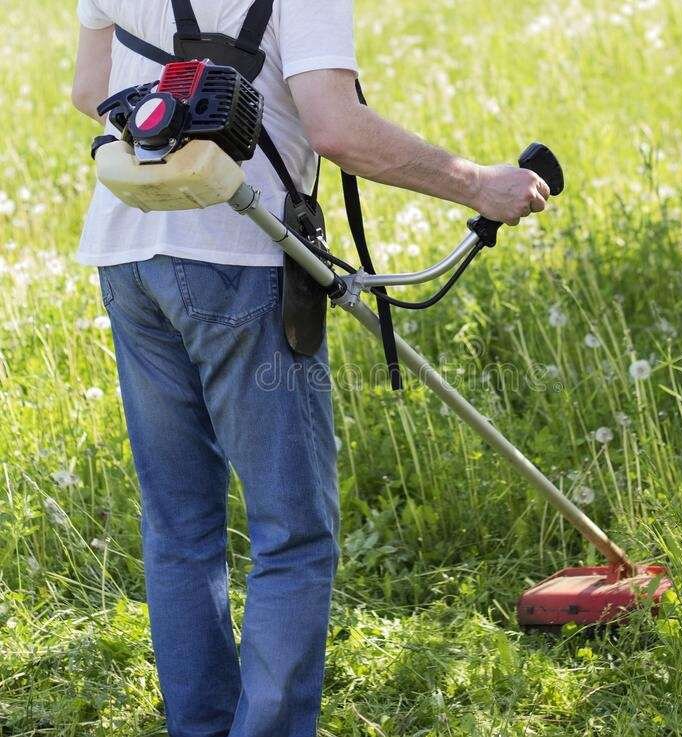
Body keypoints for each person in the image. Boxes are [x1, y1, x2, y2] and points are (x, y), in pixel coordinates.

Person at [71, 1, 550, 735]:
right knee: (291, 531)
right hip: (237, 260)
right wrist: (480, 185)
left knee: (179, 523)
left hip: (127, 253)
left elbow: (89, 90)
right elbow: (336, 127)